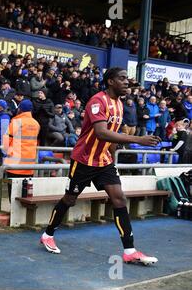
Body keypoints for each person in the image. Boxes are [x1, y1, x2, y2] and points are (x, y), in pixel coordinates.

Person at [40, 67, 161, 265]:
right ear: (110, 81)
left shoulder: (120, 105)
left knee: (119, 198)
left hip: (104, 161)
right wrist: (139, 139)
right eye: (122, 79)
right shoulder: (97, 101)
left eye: (126, 79)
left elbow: (112, 137)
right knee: (70, 199)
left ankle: (129, 250)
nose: (126, 82)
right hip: (84, 160)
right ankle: (47, 234)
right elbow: (101, 133)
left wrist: (112, 160)